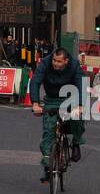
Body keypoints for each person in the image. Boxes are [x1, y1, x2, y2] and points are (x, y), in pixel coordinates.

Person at [30, 48, 86, 184]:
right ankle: (47, 167)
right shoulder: (45, 63)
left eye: (59, 61)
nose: (55, 63)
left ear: (66, 61)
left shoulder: (74, 65)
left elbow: (80, 84)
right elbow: (36, 81)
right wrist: (35, 103)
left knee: (76, 119)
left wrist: (80, 105)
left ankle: (76, 142)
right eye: (54, 60)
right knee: (49, 131)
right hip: (52, 99)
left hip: (70, 98)